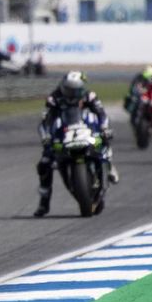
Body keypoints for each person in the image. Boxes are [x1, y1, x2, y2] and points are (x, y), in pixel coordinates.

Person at [34, 71, 118, 217]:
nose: (71, 93)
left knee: (103, 143)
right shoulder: (54, 98)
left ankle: (109, 165)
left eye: (74, 90)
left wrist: (105, 129)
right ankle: (44, 201)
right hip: (63, 135)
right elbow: (44, 122)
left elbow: (102, 114)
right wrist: (46, 137)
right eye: (68, 89)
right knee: (44, 163)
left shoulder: (89, 96)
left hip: (87, 131)